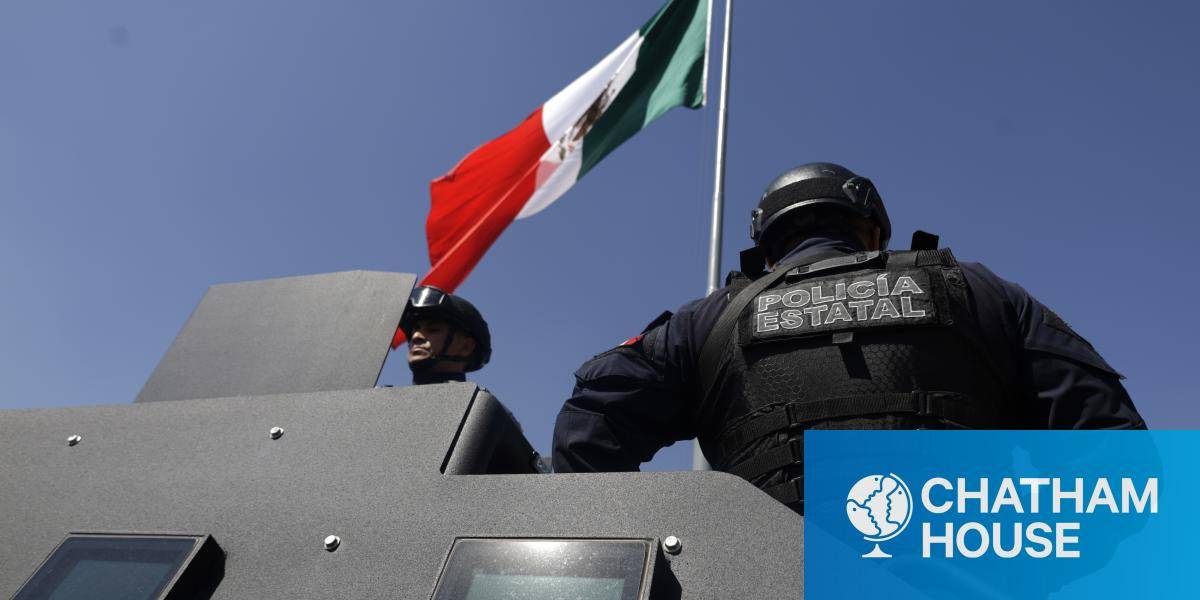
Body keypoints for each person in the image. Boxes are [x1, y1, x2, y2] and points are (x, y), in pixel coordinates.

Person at [551, 162, 1145, 514]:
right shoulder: (982, 291)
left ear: (767, 245)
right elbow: (1115, 453)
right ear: (872, 228)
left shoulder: (704, 321)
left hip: (761, 580)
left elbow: (588, 428)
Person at [400, 285, 491, 385]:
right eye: (415, 330)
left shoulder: (478, 400)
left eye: (433, 330)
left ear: (466, 347)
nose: (416, 336)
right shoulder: (387, 398)